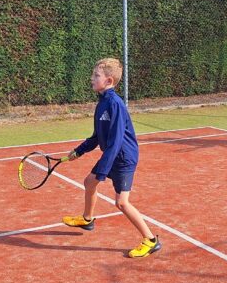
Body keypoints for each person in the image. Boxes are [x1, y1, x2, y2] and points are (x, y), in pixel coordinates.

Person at [62, 58, 161, 258]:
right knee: (89, 182)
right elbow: (97, 136)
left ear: (108, 81)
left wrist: (102, 171)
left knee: (122, 203)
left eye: (96, 75)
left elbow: (115, 141)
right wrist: (79, 151)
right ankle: (87, 219)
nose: (91, 78)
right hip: (112, 154)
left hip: (123, 157)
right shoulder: (102, 103)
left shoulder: (115, 104)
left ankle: (151, 240)